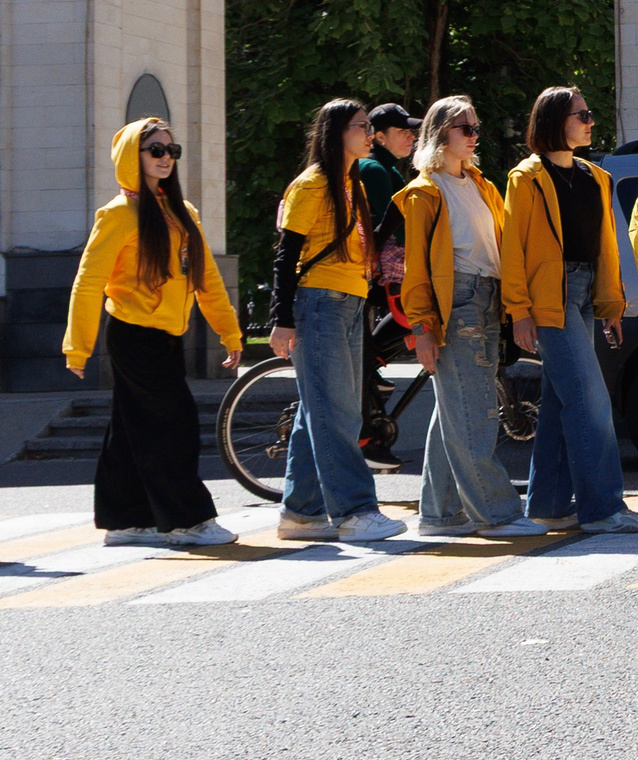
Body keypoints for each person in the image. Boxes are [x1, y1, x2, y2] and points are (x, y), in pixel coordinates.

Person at [62, 119, 242, 547]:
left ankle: (124, 520)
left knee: (129, 430)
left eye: (171, 150)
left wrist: (230, 333)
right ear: (132, 157)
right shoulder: (118, 215)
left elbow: (207, 279)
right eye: (155, 150)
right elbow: (88, 281)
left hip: (165, 338)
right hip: (134, 335)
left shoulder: (183, 213)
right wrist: (78, 346)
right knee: (172, 424)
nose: (166, 158)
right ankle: (187, 520)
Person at [503, 86, 638, 534]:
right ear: (554, 120)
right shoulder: (527, 177)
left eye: (589, 115)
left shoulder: (596, 176)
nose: (590, 122)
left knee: (559, 402)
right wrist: (519, 311)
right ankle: (602, 508)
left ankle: (549, 504)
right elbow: (513, 249)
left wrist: (612, 303)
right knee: (590, 402)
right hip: (549, 297)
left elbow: (606, 247)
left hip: (586, 292)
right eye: (581, 115)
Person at [397, 97, 547, 537]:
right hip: (457, 301)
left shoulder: (481, 184)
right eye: (466, 128)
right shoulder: (424, 192)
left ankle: (440, 514)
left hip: (486, 298)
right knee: (475, 412)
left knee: (456, 408)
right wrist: (423, 328)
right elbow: (417, 272)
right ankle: (495, 514)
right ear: (441, 133)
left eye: (477, 128)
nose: (475, 136)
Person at [270, 99, 406, 542]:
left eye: (370, 126)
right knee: (339, 414)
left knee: (321, 413)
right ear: (335, 132)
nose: (369, 133)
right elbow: (286, 253)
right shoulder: (312, 186)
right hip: (319, 303)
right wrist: (281, 318)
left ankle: (301, 513)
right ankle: (354, 511)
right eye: (361, 126)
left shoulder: (353, 184)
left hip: (348, 302)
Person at [354, 103, 417, 254]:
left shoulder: (389, 170)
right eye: (403, 131)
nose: (411, 136)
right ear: (381, 136)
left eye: (410, 130)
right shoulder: (372, 170)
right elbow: (399, 227)